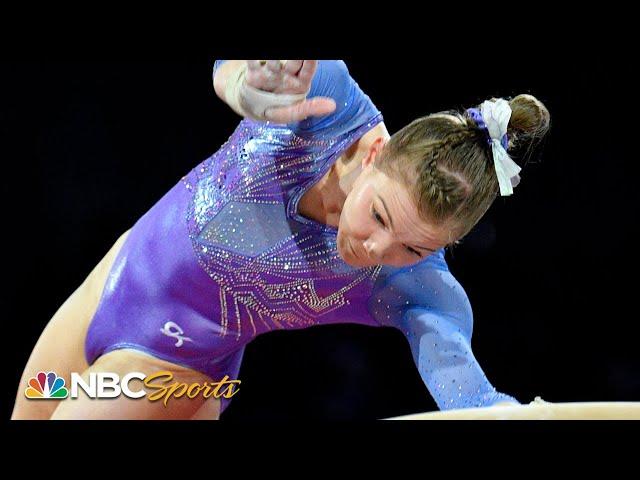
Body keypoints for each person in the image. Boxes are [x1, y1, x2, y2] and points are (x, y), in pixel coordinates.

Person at [11, 60, 550, 420]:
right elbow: (237, 68)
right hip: (109, 280)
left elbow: (470, 395)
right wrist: (243, 86)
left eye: (414, 247)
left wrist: (508, 411)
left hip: (177, 370)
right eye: (379, 216)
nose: (376, 251)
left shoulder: (419, 287)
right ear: (374, 153)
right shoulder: (327, 103)